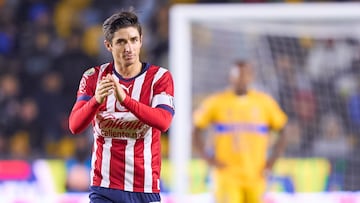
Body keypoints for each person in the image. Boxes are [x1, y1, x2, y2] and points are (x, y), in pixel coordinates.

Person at [68, 10, 175, 203]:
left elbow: (164, 121)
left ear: (141, 40)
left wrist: (125, 100)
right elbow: (75, 125)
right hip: (104, 187)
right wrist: (96, 101)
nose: (129, 48)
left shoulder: (160, 78)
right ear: (108, 45)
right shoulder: (93, 77)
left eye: (134, 40)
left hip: (145, 188)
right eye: (121, 42)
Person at [192, 60, 288, 203]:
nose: (241, 79)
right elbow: (195, 129)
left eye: (245, 75)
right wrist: (208, 159)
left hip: (256, 175)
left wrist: (271, 162)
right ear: (231, 77)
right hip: (227, 176)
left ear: (251, 77)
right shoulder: (217, 102)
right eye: (237, 75)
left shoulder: (264, 102)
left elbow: (283, 130)